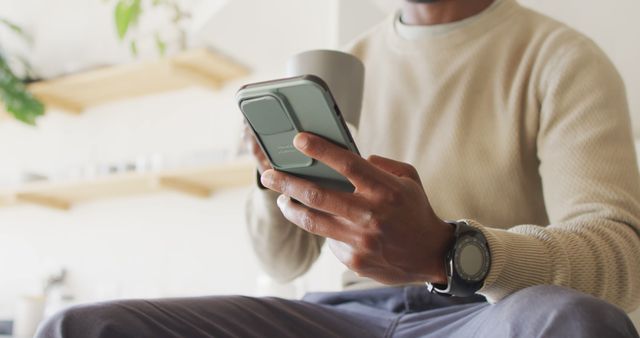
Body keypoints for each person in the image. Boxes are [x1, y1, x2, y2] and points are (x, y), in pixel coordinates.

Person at [38, 0, 640, 337]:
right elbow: (284, 261)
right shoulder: (344, 65)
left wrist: (448, 252)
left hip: (477, 319)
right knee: (83, 329)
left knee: (574, 324)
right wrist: (269, 173)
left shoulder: (558, 59)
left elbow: (621, 257)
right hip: (337, 316)